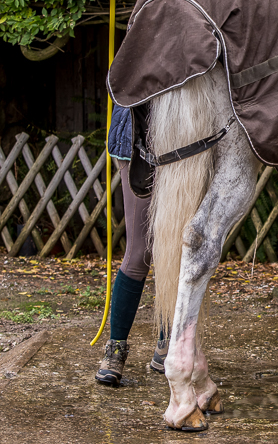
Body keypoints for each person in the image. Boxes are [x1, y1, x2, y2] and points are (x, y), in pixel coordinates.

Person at [95, 106, 167, 386]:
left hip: (188, 141)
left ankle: (168, 339)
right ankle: (115, 349)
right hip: (137, 139)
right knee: (139, 254)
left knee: (177, 249)